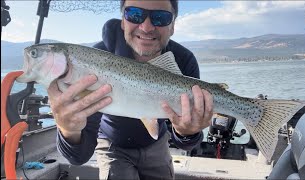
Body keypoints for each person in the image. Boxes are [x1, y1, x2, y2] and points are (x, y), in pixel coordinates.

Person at [47, 0, 214, 179]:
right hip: (112, 144)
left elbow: (186, 142)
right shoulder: (92, 62)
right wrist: (69, 130)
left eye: (160, 17)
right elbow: (79, 157)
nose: (146, 27)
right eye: (134, 14)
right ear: (123, 20)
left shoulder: (183, 60)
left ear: (172, 26)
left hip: (157, 142)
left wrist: (187, 132)